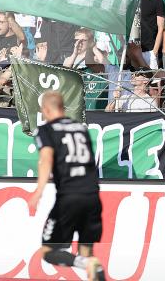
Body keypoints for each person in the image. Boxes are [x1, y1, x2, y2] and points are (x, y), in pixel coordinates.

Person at [27, 91, 105, 281]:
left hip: (69, 197)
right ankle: (90, 265)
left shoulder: (46, 130)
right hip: (93, 196)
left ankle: (87, 264)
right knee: (86, 252)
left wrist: (39, 190)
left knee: (48, 251)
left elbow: (46, 159)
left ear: (45, 110)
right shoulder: (80, 128)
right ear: (63, 107)